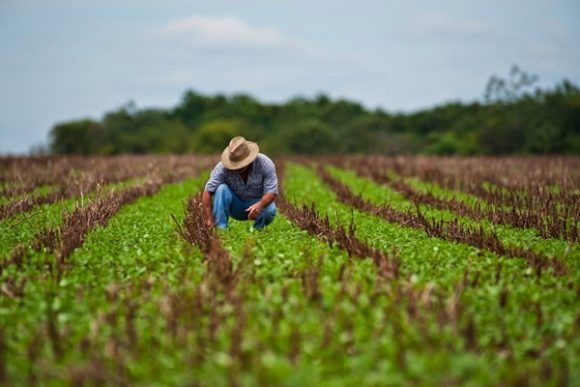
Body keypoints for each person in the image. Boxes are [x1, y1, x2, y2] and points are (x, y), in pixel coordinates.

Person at [202, 136, 278, 230]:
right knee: (221, 189)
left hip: (257, 204)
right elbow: (207, 192)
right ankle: (221, 230)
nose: (238, 168)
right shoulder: (222, 168)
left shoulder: (265, 163)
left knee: (270, 209)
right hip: (235, 206)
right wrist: (209, 219)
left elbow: (271, 192)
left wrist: (259, 205)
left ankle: (257, 231)